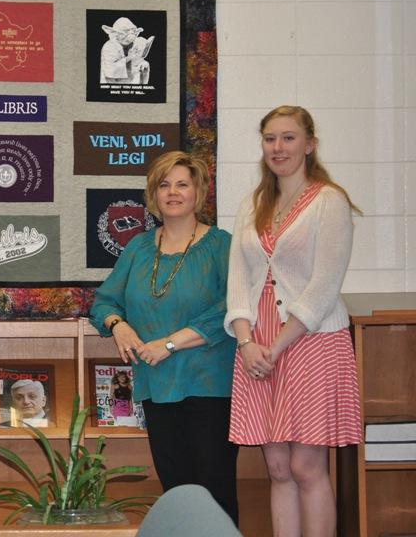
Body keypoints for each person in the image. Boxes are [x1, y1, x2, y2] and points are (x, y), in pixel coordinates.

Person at [225, 106, 362, 536]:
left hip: (310, 342)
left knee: (306, 466)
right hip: (256, 346)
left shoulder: (329, 201)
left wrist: (276, 347)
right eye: (270, 138)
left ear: (310, 145)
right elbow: (238, 281)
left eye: (288, 138)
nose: (278, 147)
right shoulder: (252, 203)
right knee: (278, 467)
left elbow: (324, 286)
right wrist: (247, 343)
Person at [90, 151, 238, 524]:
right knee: (176, 492)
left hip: (210, 386)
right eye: (164, 184)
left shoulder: (222, 245)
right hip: (156, 386)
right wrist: (117, 325)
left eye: (182, 184)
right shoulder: (139, 247)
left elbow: (232, 309)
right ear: (153, 195)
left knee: (214, 492)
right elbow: (104, 301)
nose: (173, 192)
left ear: (198, 192)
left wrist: (169, 343)